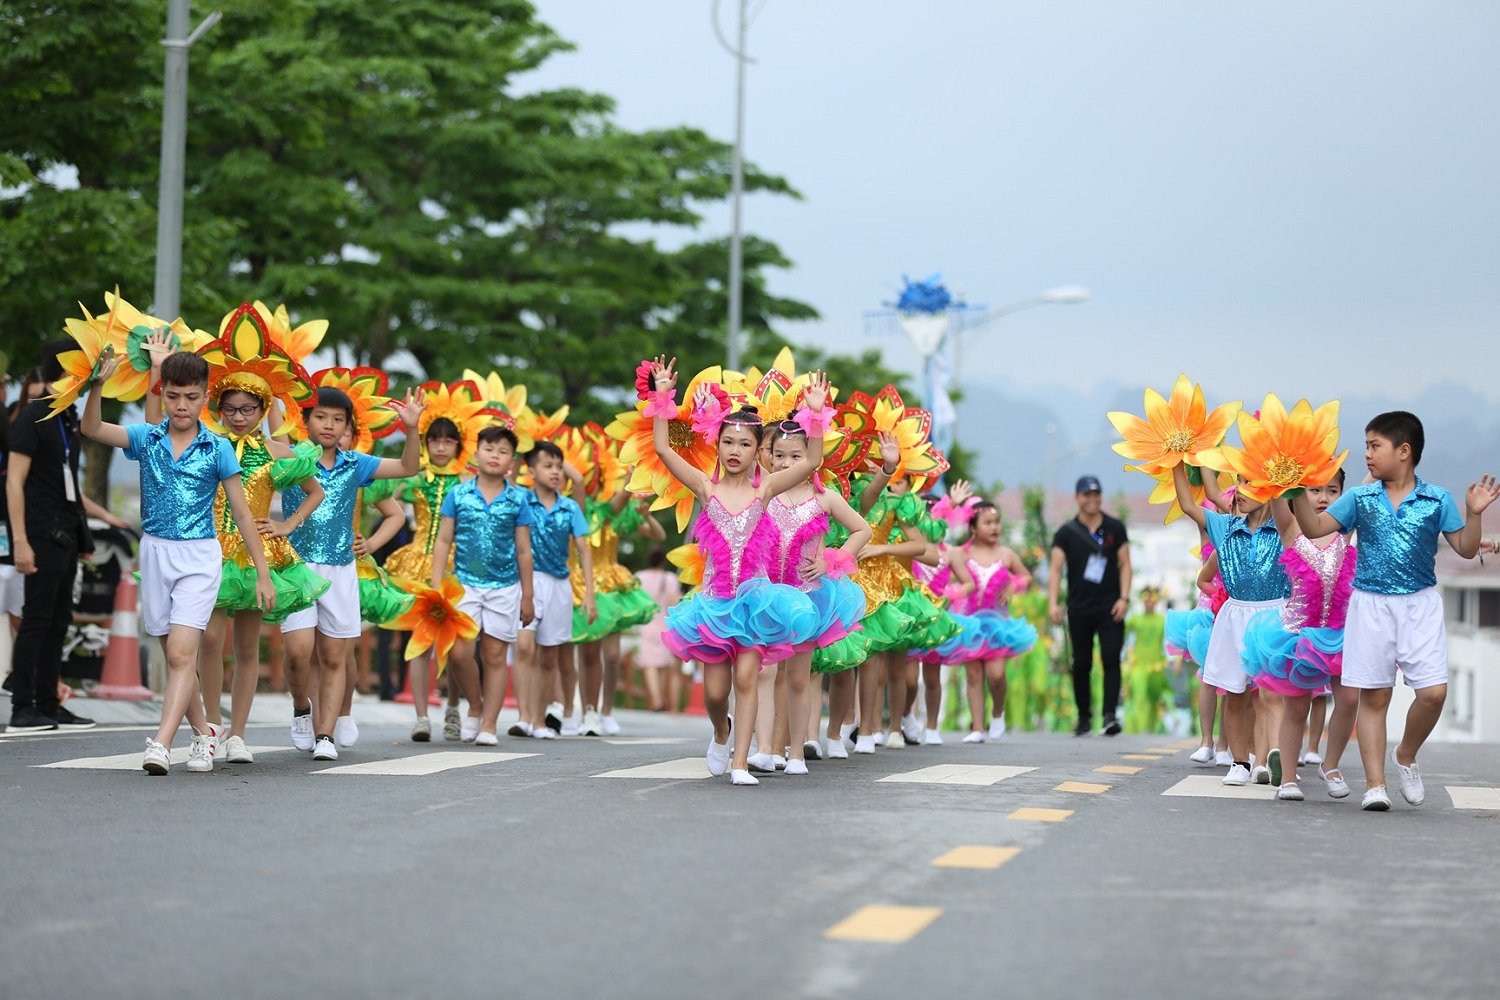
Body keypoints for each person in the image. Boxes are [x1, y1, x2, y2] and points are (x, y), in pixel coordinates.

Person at [1291, 411, 1498, 810]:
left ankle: (1405, 754)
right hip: (1370, 605)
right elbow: (1315, 529)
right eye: (1366, 445)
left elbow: (1467, 549)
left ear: (1404, 451)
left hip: (1420, 604)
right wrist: (1295, 489)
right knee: (1374, 697)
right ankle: (1375, 785)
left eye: (1374, 446)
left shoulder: (1437, 499)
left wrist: (1474, 513)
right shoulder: (1360, 497)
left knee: (1435, 693)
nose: (1367, 454)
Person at [84, 348, 276, 774]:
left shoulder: (218, 447)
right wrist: (97, 383)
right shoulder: (146, 438)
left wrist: (263, 573)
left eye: (191, 396)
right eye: (173, 396)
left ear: (205, 397)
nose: (182, 406)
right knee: (174, 654)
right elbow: (92, 427)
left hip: (199, 556)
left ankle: (161, 744)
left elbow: (243, 513)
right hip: (154, 553)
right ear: (163, 394)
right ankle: (206, 733)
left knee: (182, 653)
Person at [651, 359, 828, 785]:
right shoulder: (705, 487)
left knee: (748, 677)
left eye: (744, 444)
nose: (734, 451)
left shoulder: (765, 489)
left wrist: (816, 415)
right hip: (714, 604)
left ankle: (741, 763)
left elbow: (813, 460)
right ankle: (721, 730)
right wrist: (661, 398)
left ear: (758, 452)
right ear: (718, 446)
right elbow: (662, 450)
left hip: (755, 600)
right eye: (727, 442)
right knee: (715, 692)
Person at [280, 385, 424, 761]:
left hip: (341, 570)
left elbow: (409, 468)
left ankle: (325, 734)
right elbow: (268, 434)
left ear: (347, 426)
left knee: (334, 655)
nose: (329, 425)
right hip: (296, 569)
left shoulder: (355, 464)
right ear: (306, 420)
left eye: (337, 419)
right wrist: (276, 397)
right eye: (321, 417)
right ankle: (300, 706)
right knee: (298, 652)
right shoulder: (292, 457)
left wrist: (411, 429)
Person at [750, 414, 870, 775]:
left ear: (810, 456)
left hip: (806, 596)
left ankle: (798, 752)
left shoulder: (824, 497)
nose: (786, 463)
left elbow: (862, 530)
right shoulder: (763, 490)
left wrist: (830, 561)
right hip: (767, 595)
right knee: (764, 673)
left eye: (795, 456)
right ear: (768, 455)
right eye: (779, 455)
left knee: (799, 678)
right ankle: (766, 748)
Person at [1172, 462, 1293, 785]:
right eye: (1239, 481)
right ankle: (1239, 762)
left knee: (1271, 694)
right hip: (1234, 615)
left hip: (1272, 617)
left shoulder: (1283, 528)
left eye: (1250, 482)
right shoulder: (1224, 527)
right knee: (1235, 694)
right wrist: (1174, 462)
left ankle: (1269, 759)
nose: (1240, 489)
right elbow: (1187, 504)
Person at [1241, 470, 1357, 801]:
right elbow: (1278, 499)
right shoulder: (1292, 529)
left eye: (1332, 491)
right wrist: (1281, 469)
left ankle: (1330, 764)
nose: (1323, 497)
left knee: (1349, 700)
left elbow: (1365, 489)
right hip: (1298, 634)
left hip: (1337, 632)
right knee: (1297, 707)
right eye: (1315, 490)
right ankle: (1289, 778)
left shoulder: (1343, 530)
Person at [5, 344, 101, 732]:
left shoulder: (67, 417)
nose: (81, 381)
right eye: (77, 373)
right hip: (40, 532)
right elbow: (14, 481)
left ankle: (48, 702)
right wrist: (21, 541)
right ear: (60, 374)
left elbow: (69, 484)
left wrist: (84, 537)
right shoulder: (32, 415)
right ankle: (21, 708)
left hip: (64, 533)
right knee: (36, 619)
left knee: (59, 619)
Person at [430, 424, 533, 744]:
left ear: (511, 461)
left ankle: (489, 724)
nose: (495, 456)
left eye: (503, 452)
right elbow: (444, 540)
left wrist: (528, 596)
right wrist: (437, 587)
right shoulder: (458, 493)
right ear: (476, 453)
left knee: (494, 656)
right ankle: (475, 704)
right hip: (464, 585)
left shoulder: (519, 499)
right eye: (489, 449)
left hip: (504, 586)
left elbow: (524, 549)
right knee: (459, 654)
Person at [383, 412, 465, 741]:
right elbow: (381, 494)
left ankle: (455, 708)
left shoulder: (467, 483)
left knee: (456, 647)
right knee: (419, 643)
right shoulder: (415, 479)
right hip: (416, 566)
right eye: (435, 440)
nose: (441, 447)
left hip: (455, 569)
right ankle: (420, 717)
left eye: (448, 440)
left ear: (460, 445)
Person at [514, 440, 595, 739]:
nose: (556, 472)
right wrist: (527, 446)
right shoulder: (521, 500)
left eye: (559, 467)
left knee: (549, 656)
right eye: (548, 466)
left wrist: (589, 593)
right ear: (531, 470)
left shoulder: (570, 506)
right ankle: (523, 716)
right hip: (528, 581)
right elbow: (508, 479)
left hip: (559, 584)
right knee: (524, 646)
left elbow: (584, 551)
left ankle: (539, 720)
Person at [1048, 475, 1132, 736]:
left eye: (1096, 493)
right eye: (1087, 494)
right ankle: (1083, 717)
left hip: (1110, 607)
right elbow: (1055, 569)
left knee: (1111, 658)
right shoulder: (1065, 533)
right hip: (1079, 607)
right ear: (1078, 498)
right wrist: (1054, 603)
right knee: (1081, 662)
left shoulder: (1115, 528)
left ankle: (1109, 716)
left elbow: (1126, 564)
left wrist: (1124, 598)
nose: (1092, 499)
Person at [954, 501, 1036, 743]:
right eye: (987, 523)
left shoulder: (1007, 555)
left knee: (997, 674)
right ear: (973, 527)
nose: (994, 527)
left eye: (996, 522)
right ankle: (978, 727)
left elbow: (1026, 576)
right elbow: (949, 576)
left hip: (998, 625)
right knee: (973, 675)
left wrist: (1014, 585)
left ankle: (998, 713)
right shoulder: (962, 554)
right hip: (969, 622)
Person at [634, 547, 684, 712]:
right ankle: (660, 698)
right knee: (662, 663)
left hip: (646, 624)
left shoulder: (639, 577)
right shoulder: (669, 578)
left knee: (649, 664)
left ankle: (655, 700)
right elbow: (673, 602)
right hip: (664, 624)